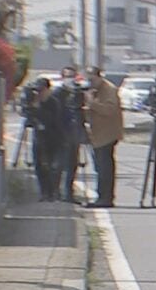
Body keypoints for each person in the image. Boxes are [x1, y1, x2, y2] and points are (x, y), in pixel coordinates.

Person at [82, 66, 124, 208]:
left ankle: (105, 197)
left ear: (99, 77)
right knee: (100, 167)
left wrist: (92, 103)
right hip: (98, 134)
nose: (90, 82)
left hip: (107, 134)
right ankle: (103, 195)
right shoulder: (95, 90)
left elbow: (110, 110)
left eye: (92, 79)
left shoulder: (109, 90)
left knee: (104, 167)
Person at [52, 65, 87, 203]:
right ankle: (55, 192)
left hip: (75, 132)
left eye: (72, 76)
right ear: (62, 77)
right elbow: (55, 114)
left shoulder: (79, 92)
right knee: (60, 164)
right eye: (67, 76)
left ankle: (69, 193)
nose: (70, 79)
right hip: (60, 133)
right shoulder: (58, 93)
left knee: (73, 163)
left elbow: (82, 111)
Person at [27, 78, 64, 201]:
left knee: (52, 167)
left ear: (48, 90)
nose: (39, 93)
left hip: (53, 138)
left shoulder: (54, 103)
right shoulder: (34, 102)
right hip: (39, 138)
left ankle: (53, 191)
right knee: (39, 166)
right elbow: (29, 119)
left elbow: (51, 120)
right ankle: (44, 192)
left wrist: (38, 109)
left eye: (42, 90)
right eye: (38, 91)